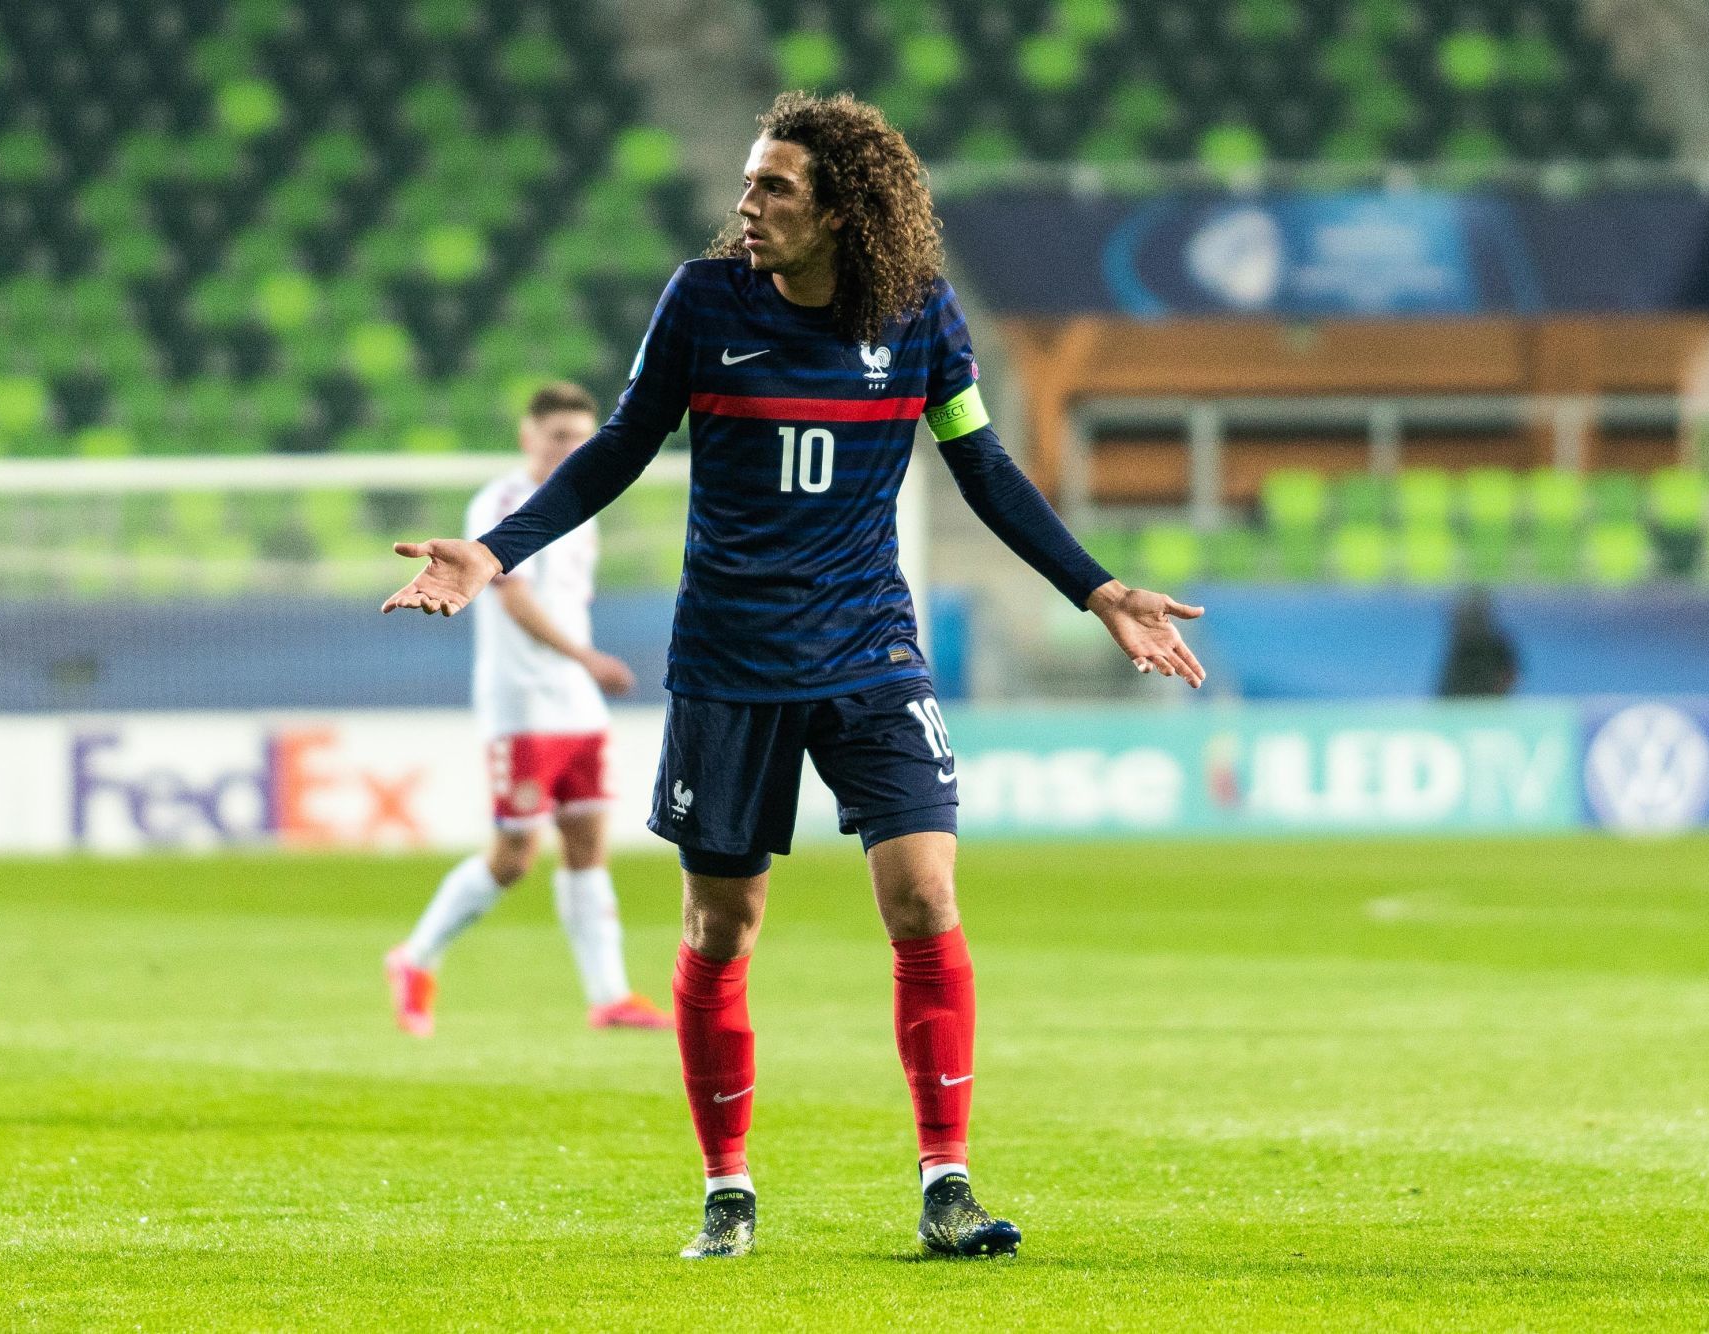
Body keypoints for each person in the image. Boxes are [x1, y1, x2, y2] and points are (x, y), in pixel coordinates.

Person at [382, 92, 1204, 1260]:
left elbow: (981, 464)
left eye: (773, 187)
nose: (746, 204)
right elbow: (620, 444)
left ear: (841, 212)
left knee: (925, 897)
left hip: (869, 647)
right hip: (730, 657)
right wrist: (495, 549)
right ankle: (727, 1185)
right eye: (746, 182)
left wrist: (1096, 586)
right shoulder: (703, 300)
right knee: (722, 927)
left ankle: (947, 1182)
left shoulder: (919, 314)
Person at [385, 382, 673, 1038]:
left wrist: (582, 669)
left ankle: (609, 997)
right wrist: (587, 659)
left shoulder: (584, 510)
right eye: (558, 437)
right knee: (514, 856)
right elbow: (513, 600)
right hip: (522, 702)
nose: (570, 449)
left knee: (588, 843)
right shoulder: (501, 503)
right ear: (528, 438)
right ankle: (415, 957)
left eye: (581, 439)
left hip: (577, 706)